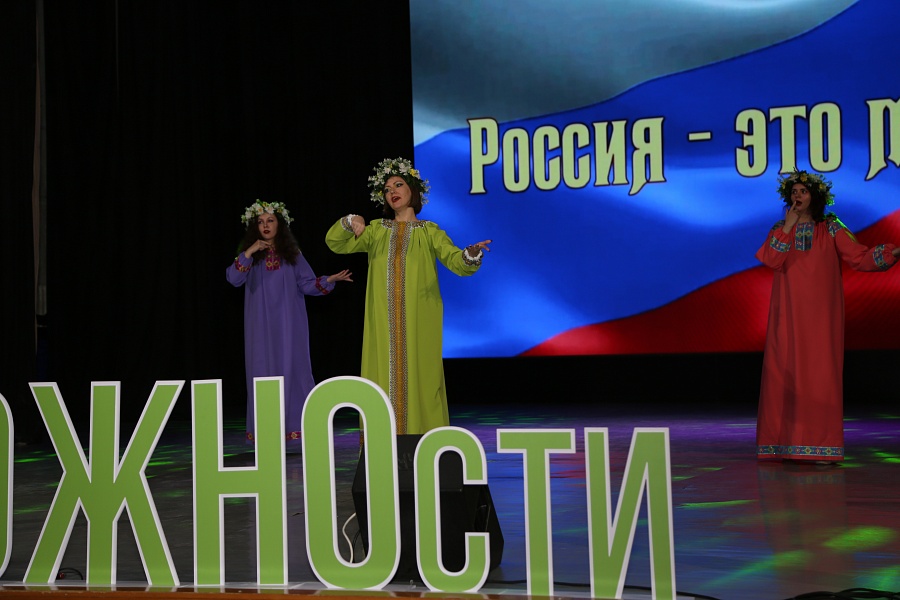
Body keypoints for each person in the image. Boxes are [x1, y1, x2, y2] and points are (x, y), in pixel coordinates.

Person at [326, 157, 491, 436]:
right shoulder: (376, 231)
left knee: (422, 377)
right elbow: (335, 243)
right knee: (381, 375)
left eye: (398, 184)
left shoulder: (430, 232)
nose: (392, 191)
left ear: (412, 190)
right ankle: (383, 443)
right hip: (383, 326)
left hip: (418, 322)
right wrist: (351, 220)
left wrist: (471, 253)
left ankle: (424, 442)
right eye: (387, 189)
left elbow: (457, 262)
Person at [755, 170, 899, 464]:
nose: (797, 196)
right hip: (788, 314)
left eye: (803, 192)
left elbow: (859, 257)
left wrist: (892, 252)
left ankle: (821, 446)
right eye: (794, 192)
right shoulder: (781, 228)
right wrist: (788, 226)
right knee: (783, 371)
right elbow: (770, 259)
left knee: (819, 373)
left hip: (821, 315)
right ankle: (783, 445)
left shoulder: (831, 227)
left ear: (816, 196)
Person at [227, 199, 352, 450]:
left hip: (289, 326)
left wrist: (329, 280)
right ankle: (266, 435)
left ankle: (298, 432)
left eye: (270, 220)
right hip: (259, 328)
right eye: (260, 222)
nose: (265, 225)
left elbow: (307, 284)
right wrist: (249, 251)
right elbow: (233, 278)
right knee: (261, 374)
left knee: (293, 371)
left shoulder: (292, 255)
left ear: (279, 225)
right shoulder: (249, 257)